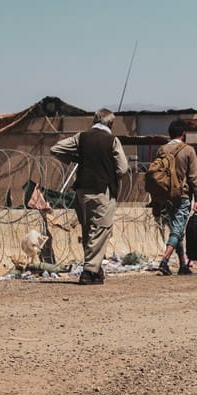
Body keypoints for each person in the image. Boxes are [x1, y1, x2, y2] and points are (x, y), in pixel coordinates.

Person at [50, 109, 128, 285]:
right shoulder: (112, 140)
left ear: (94, 120)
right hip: (102, 191)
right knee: (100, 230)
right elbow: (123, 168)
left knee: (88, 230)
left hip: (82, 191)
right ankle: (88, 271)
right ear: (111, 123)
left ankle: (96, 271)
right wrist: (110, 173)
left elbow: (55, 149)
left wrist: (75, 158)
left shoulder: (81, 137)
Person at [154, 119, 197, 276]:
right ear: (183, 134)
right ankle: (164, 261)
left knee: (176, 228)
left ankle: (183, 264)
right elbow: (194, 177)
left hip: (165, 196)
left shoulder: (161, 150)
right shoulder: (188, 150)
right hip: (182, 194)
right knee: (177, 228)